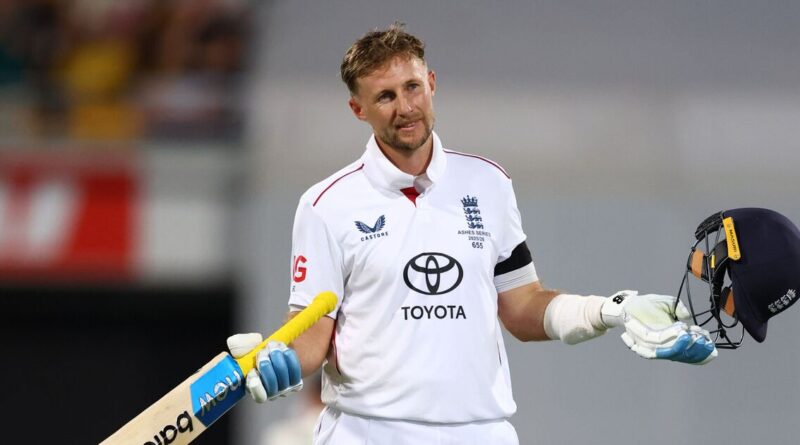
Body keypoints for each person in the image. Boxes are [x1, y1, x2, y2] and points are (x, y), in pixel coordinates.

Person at [227, 22, 717, 444]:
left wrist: (611, 309)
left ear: (432, 82)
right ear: (359, 109)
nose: (405, 107)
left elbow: (523, 308)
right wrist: (279, 363)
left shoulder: (488, 183)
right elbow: (312, 335)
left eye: (412, 87)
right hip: (368, 431)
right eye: (385, 96)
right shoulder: (325, 205)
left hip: (481, 431)